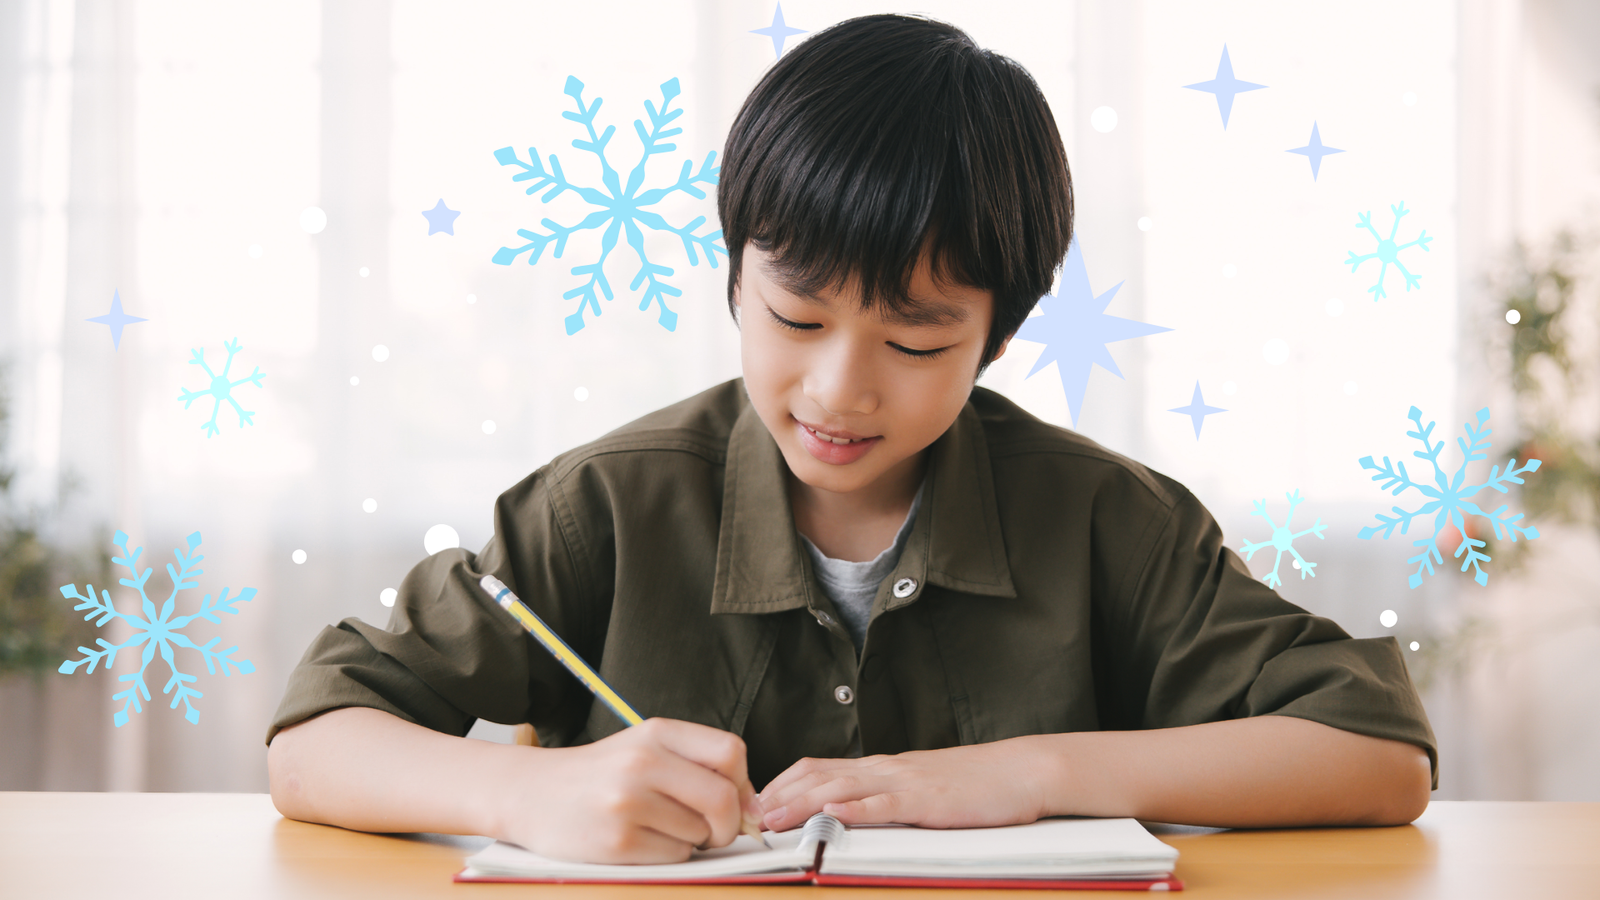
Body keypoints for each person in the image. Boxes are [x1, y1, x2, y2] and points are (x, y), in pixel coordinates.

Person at [266, 13, 1436, 865]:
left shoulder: (1107, 521)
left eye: (917, 344)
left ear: (1000, 335)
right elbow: (315, 738)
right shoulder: (607, 505)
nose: (839, 389)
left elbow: (1376, 751)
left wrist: (1029, 776)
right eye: (796, 318)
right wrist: (524, 794)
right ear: (733, 275)